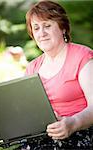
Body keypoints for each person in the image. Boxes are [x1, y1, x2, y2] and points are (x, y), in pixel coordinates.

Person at [25, 0, 93, 149]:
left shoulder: (82, 56)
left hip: (80, 133)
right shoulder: (32, 68)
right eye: (36, 28)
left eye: (47, 26)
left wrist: (73, 123)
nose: (41, 33)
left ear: (62, 28)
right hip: (43, 137)